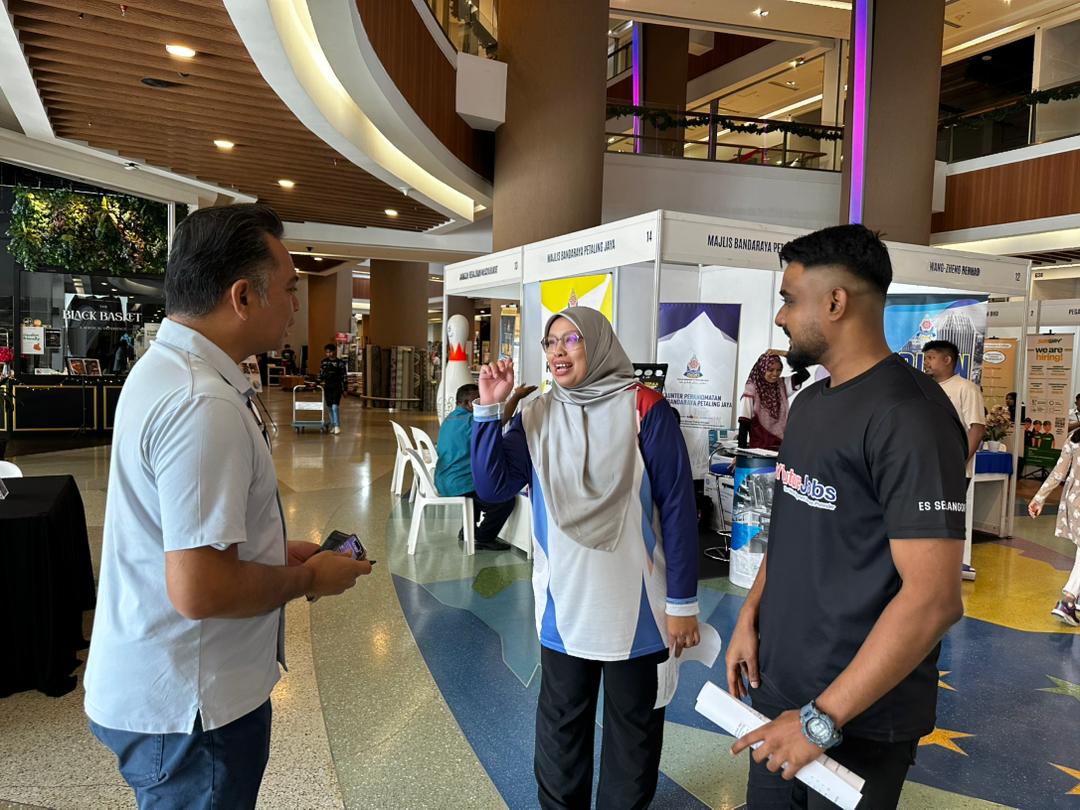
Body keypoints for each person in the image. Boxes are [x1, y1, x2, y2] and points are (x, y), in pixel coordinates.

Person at [83, 204, 371, 809]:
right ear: (242, 296)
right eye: (288, 289)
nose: (295, 306)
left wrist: (272, 552)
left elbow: (186, 537)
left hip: (172, 694)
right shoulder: (200, 401)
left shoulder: (169, 371)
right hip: (193, 713)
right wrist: (308, 579)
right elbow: (201, 589)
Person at [725, 224, 967, 809]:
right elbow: (791, 529)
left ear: (836, 302)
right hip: (781, 692)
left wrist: (820, 720)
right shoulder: (810, 402)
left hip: (856, 719)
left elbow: (934, 599)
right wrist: (750, 615)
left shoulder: (910, 416)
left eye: (789, 299)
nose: (781, 316)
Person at [472, 307, 700, 809]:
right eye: (550, 342)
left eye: (571, 339)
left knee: (633, 731)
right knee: (561, 726)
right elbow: (493, 487)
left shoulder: (646, 409)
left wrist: (682, 603)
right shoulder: (536, 414)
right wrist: (489, 409)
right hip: (565, 602)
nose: (558, 351)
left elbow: (678, 509)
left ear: (597, 343)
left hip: (637, 608)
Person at [434, 382, 518, 552]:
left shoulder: (450, 419)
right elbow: (501, 421)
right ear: (467, 404)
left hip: (444, 480)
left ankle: (467, 529)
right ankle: (484, 538)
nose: (484, 403)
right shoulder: (471, 421)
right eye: (479, 400)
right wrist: (516, 397)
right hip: (459, 483)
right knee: (504, 500)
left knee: (478, 492)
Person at [1028, 430, 1080, 626]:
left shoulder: (1075, 436)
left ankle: (1073, 597)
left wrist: (1039, 498)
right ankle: (1068, 600)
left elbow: (1058, 472)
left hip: (1074, 501)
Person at [922, 339, 986, 480]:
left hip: (952, 469)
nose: (926, 362)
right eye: (925, 358)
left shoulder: (966, 388)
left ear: (947, 360)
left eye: (931, 358)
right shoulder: (925, 388)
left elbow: (977, 429)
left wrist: (960, 462)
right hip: (926, 467)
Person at [737, 351, 808, 450]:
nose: (775, 374)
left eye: (779, 370)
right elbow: (744, 422)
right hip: (759, 450)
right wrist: (741, 452)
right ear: (762, 369)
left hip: (781, 447)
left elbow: (804, 374)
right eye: (770, 370)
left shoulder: (781, 384)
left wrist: (786, 354)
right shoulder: (751, 389)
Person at [318, 342, 347, 434]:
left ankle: (337, 425)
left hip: (337, 387)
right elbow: (321, 374)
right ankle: (333, 425)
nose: (329, 354)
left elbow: (344, 376)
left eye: (330, 352)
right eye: (327, 352)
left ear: (334, 351)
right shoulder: (324, 362)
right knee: (329, 407)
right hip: (327, 387)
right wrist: (317, 382)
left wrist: (345, 389)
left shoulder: (340, 363)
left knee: (335, 407)